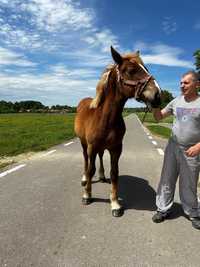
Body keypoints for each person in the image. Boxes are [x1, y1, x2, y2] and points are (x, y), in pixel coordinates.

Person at [152, 70, 200, 230]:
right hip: (173, 147)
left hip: (192, 150)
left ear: (197, 84)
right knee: (167, 178)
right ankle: (163, 209)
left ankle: (192, 212)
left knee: (189, 183)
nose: (181, 85)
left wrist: (198, 146)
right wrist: (155, 103)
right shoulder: (176, 101)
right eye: (181, 82)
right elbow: (158, 117)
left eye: (186, 82)